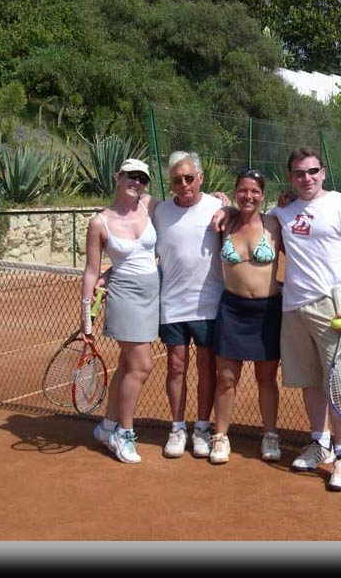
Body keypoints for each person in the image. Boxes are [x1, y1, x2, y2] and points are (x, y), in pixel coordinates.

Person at [269, 147, 341, 491]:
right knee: (311, 381)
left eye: (312, 171)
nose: (307, 178)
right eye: (299, 173)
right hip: (293, 308)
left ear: (323, 172)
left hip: (334, 310)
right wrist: (222, 205)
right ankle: (320, 443)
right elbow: (253, 219)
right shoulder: (283, 210)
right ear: (290, 177)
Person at [85, 158, 159, 464]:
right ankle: (124, 434)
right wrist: (85, 317)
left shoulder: (150, 205)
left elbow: (188, 201)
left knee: (126, 365)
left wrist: (221, 201)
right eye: (131, 176)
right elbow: (91, 271)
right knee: (141, 367)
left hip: (152, 293)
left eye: (142, 178)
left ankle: (107, 426)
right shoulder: (99, 222)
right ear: (118, 177)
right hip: (124, 296)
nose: (136, 182)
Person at [208, 168, 284, 465]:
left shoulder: (275, 224)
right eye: (242, 190)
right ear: (235, 192)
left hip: (267, 312)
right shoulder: (224, 222)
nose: (248, 196)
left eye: (254, 191)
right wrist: (221, 204)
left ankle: (270, 435)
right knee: (226, 378)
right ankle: (220, 437)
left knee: (266, 378)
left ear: (263, 195)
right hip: (232, 309)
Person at [154, 151, 226, 460]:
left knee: (206, 368)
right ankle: (177, 427)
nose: (183, 184)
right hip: (171, 304)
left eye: (189, 178)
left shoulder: (218, 206)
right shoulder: (158, 211)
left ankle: (201, 429)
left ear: (200, 178)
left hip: (209, 305)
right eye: (176, 180)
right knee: (176, 366)